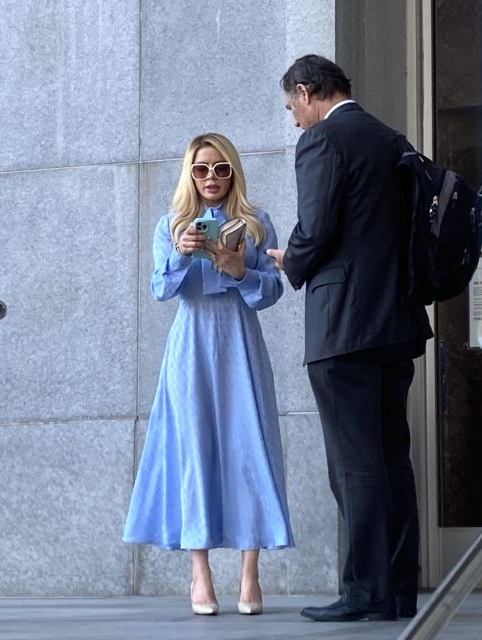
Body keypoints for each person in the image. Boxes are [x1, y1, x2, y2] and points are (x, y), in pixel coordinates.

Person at [267, 54, 433, 622]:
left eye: (293, 106)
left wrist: (292, 260)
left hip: (344, 326)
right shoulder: (393, 140)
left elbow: (316, 228)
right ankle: (397, 591)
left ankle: (365, 592)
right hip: (397, 323)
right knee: (391, 460)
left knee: (354, 465)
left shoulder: (324, 141)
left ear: (308, 92)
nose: (294, 121)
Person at [124, 132, 293, 617]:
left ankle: (249, 571)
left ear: (234, 171)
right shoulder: (170, 224)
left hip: (239, 341)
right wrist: (181, 251)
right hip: (192, 343)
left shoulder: (257, 223)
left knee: (248, 447)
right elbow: (160, 289)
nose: (212, 178)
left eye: (221, 169)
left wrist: (239, 269)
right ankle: (199, 572)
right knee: (192, 448)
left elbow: (272, 292)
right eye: (202, 169)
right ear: (189, 174)